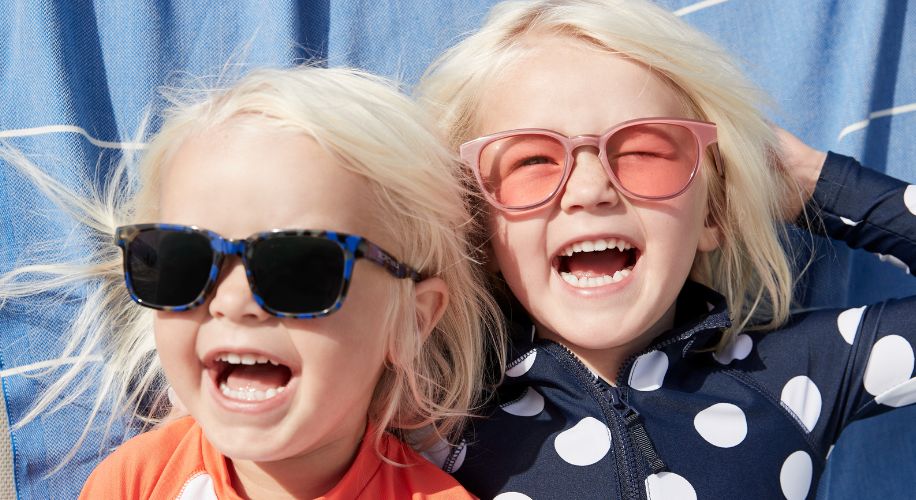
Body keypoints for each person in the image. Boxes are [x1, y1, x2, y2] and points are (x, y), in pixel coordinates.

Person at [416, 0, 916, 498]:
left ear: (713, 213)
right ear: (477, 223)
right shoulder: (427, 412)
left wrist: (816, 183)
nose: (591, 189)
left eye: (642, 152)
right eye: (531, 162)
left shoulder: (795, 375)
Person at [1, 66, 503, 498]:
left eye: (299, 265)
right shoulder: (136, 482)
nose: (233, 301)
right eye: (183, 261)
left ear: (411, 321)